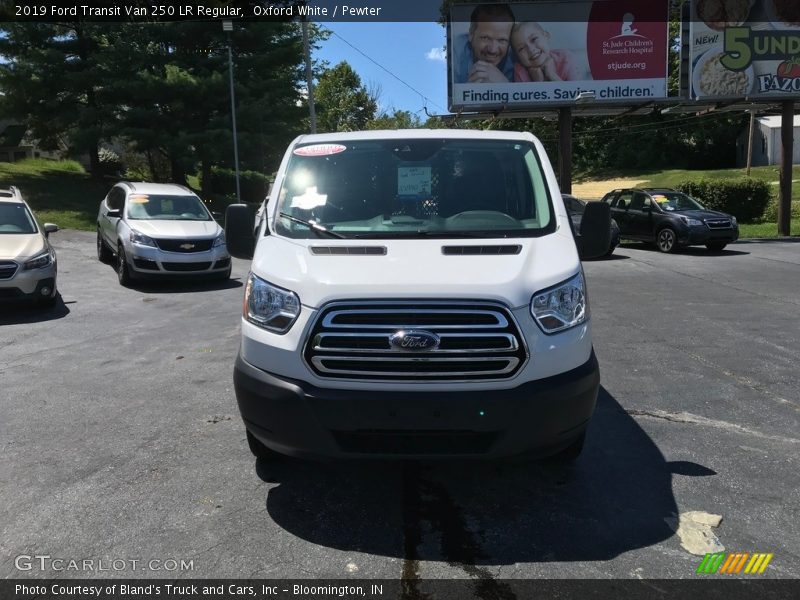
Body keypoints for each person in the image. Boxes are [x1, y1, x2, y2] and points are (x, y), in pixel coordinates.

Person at [453, 4, 516, 84]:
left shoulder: (517, 56)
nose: (493, 50)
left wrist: (505, 85)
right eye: (485, 38)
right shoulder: (453, 52)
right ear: (471, 34)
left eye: (502, 40)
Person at [510, 21, 581, 82]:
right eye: (521, 48)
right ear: (517, 56)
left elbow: (576, 94)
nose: (530, 49)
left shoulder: (565, 58)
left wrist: (552, 75)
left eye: (534, 39)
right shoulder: (519, 71)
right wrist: (538, 82)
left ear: (546, 36)